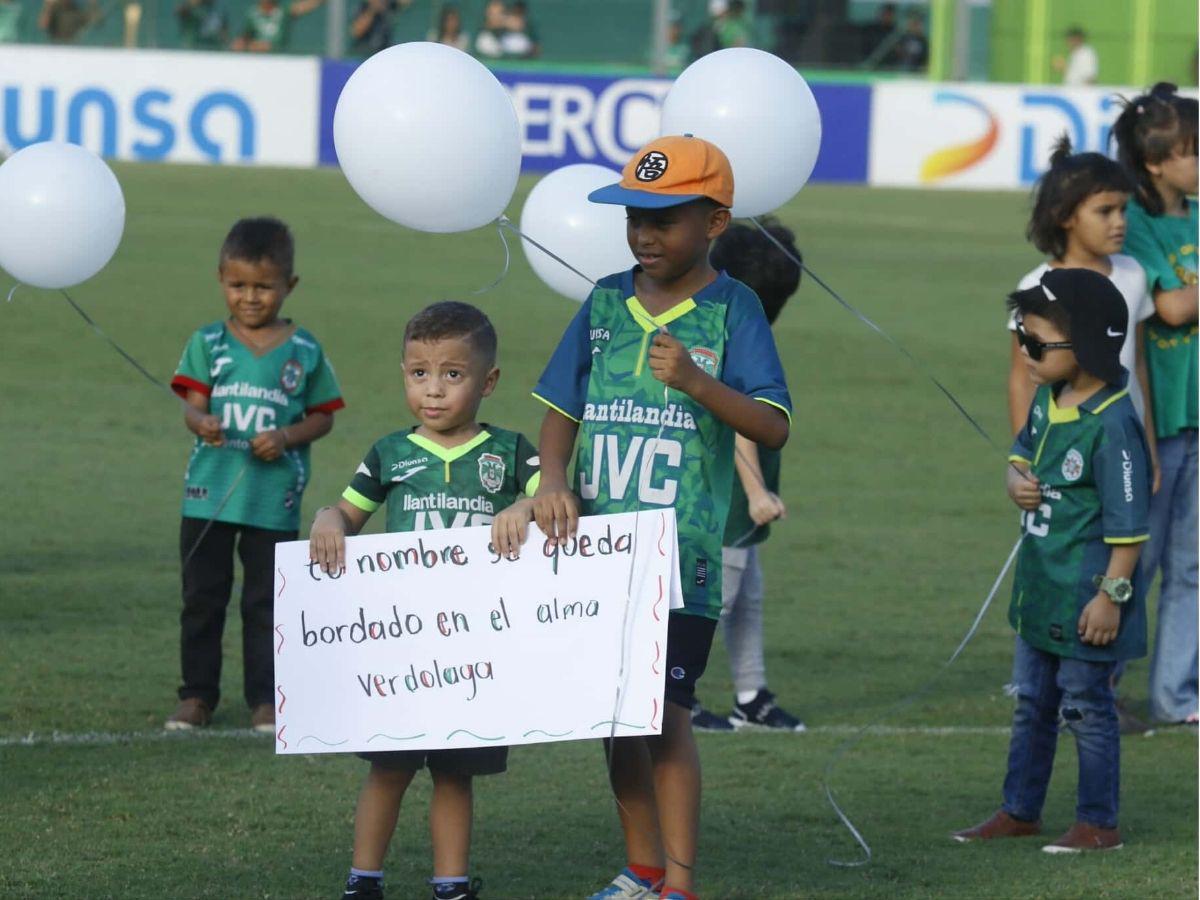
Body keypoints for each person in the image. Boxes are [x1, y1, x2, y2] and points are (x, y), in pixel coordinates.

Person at [531, 135, 791, 900]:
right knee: (614, 721)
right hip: (598, 553)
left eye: (664, 218)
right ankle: (639, 867)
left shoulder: (734, 310)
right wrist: (552, 478)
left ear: (713, 222)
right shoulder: (606, 300)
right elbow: (559, 405)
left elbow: (772, 425)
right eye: (634, 217)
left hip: (682, 561)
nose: (644, 234)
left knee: (668, 716)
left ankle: (679, 882)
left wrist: (698, 383)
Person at [309, 301, 539, 900]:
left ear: (487, 382)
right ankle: (363, 881)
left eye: (452, 375)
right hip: (402, 645)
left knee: (455, 772)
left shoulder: (511, 453)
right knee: (388, 766)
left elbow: (560, 502)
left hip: (476, 646)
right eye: (419, 373)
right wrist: (327, 517)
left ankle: (451, 883)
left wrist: (525, 505)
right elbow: (347, 515)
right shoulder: (390, 453)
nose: (433, 391)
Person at [955, 268, 1151, 853]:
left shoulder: (1114, 424)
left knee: (1087, 708)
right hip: (1040, 588)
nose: (1025, 353)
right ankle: (1020, 810)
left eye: (1037, 345)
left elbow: (1131, 528)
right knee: (1032, 705)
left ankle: (1098, 823)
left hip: (1087, 598)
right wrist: (1015, 479)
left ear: (1088, 344)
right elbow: (1021, 457)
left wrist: (1110, 597)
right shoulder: (1048, 399)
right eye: (1022, 337)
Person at [165, 217, 344, 733]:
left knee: (266, 603)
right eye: (238, 285)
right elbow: (192, 409)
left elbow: (323, 416)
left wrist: (286, 437)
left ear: (289, 286)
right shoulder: (207, 342)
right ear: (221, 278)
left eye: (264, 287)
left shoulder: (304, 349)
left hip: (273, 497)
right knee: (202, 598)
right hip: (209, 495)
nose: (250, 297)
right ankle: (196, 696)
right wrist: (203, 422)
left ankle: (266, 699)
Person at [689, 219, 806, 734]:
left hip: (731, 494)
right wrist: (757, 492)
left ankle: (750, 695)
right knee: (717, 598)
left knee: (746, 595)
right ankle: (676, 694)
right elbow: (735, 424)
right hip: (724, 496)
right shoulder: (732, 340)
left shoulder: (733, 328)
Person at [1111, 83, 1199, 726]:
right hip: (1159, 418)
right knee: (1135, 563)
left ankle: (1175, 696)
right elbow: (1168, 307)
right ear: (1155, 162)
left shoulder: (1196, 215)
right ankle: (1100, 681)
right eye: (1193, 152)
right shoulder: (1134, 224)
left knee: (1192, 566)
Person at [1007, 136, 1156, 449]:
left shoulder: (1133, 274)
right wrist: (1026, 455)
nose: (1119, 222)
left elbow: (1138, 364)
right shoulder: (1035, 286)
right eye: (1105, 211)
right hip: (1064, 448)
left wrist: (1149, 445)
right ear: (1064, 216)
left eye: (1123, 210)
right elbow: (1022, 379)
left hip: (1123, 441)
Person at [231, 0, 324, 52]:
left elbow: (303, 6)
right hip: (257, 59)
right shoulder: (252, 14)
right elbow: (242, 39)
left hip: (279, 56)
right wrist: (249, 46)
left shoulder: (283, 10)